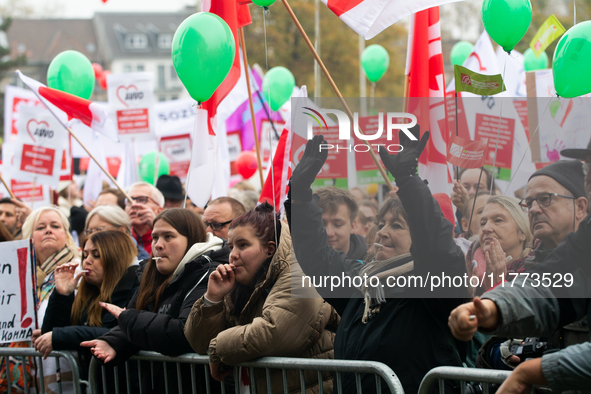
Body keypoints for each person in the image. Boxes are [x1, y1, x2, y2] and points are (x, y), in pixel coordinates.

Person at [287, 130, 468, 394]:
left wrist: (408, 181)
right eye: (381, 223)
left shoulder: (433, 286)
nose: (382, 231)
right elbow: (317, 258)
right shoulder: (361, 281)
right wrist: (300, 195)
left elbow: (437, 250)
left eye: (397, 226)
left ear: (418, 235)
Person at [184, 203, 336, 393]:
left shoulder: (301, 271)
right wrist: (212, 299)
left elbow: (275, 331)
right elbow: (198, 343)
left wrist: (217, 349)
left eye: (243, 245)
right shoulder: (241, 283)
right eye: (231, 247)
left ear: (270, 249)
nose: (233, 256)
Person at [81, 208, 230, 393]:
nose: (158, 245)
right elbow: (138, 319)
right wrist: (114, 342)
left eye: (168, 237)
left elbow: (183, 332)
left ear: (191, 240)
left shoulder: (209, 273)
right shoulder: (150, 274)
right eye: (155, 238)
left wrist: (128, 318)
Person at [474, 160, 589, 371]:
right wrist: (502, 353)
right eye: (529, 202)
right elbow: (486, 356)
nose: (534, 209)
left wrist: (543, 369)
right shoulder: (528, 272)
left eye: (545, 199)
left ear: (580, 206)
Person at [33, 231, 140, 381]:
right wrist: (62, 294)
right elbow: (49, 334)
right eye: (85, 255)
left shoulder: (136, 290)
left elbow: (116, 334)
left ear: (116, 257)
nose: (87, 261)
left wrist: (61, 335)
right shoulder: (89, 293)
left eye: (96, 255)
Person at [22, 206, 80, 392]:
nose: (48, 230)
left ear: (66, 235)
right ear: (29, 237)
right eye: (40, 227)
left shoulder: (79, 273)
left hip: (65, 375)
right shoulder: (20, 279)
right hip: (29, 376)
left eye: (55, 226)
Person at [465, 196, 533, 295]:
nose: (486, 228)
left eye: (498, 220)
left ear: (522, 232)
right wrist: (467, 294)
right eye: (483, 223)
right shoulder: (466, 269)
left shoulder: (537, 271)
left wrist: (497, 286)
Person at [314, 187, 367, 258]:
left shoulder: (370, 262)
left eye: (337, 225)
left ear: (352, 226)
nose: (329, 233)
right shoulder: (297, 259)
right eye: (322, 224)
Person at [84, 205, 149, 260]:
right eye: (89, 232)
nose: (93, 236)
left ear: (122, 230)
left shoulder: (141, 262)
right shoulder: (87, 261)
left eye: (99, 230)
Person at [125, 182, 165, 256]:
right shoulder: (121, 239)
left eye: (142, 200)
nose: (133, 204)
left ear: (159, 210)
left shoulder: (168, 240)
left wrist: (156, 226)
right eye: (129, 200)